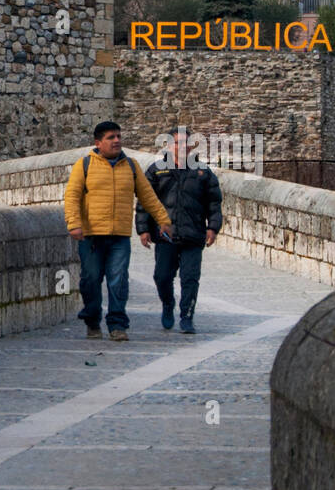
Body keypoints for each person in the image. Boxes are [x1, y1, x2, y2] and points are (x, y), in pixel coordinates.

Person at [65, 121, 172, 342]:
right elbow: (72, 196)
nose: (117, 141)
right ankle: (92, 320)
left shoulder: (131, 166)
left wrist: (163, 219)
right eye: (111, 137)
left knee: (118, 280)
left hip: (119, 236)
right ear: (98, 143)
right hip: (92, 235)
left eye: (118, 136)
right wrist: (74, 224)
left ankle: (117, 325)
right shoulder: (84, 165)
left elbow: (148, 196)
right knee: (91, 280)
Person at [136, 126, 223, 335]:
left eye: (185, 143)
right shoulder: (156, 171)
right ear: (168, 145)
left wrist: (213, 228)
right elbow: (145, 202)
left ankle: (187, 316)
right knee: (162, 277)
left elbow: (214, 203)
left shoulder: (203, 172)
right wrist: (143, 229)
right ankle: (168, 304)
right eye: (176, 143)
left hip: (193, 234)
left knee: (190, 278)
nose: (180, 147)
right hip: (166, 234)